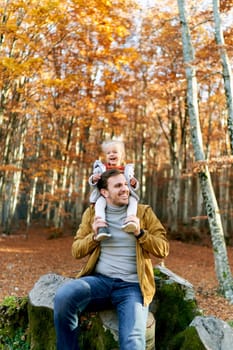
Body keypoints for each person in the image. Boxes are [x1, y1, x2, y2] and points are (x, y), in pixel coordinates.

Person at [54, 168, 169, 350]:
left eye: (125, 184)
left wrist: (140, 233)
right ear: (104, 192)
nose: (125, 189)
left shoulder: (143, 213)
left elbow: (163, 249)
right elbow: (76, 251)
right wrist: (92, 237)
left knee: (132, 341)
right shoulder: (93, 214)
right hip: (100, 282)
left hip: (132, 287)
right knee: (64, 296)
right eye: (118, 186)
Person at [89, 139, 139, 241]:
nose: (111, 154)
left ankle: (131, 220)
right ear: (105, 156)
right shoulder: (102, 168)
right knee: (99, 204)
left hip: (124, 196)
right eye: (108, 153)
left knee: (133, 201)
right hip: (104, 196)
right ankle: (101, 226)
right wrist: (93, 179)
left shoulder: (126, 170)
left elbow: (131, 182)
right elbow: (92, 180)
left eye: (115, 152)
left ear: (122, 155)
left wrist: (134, 183)